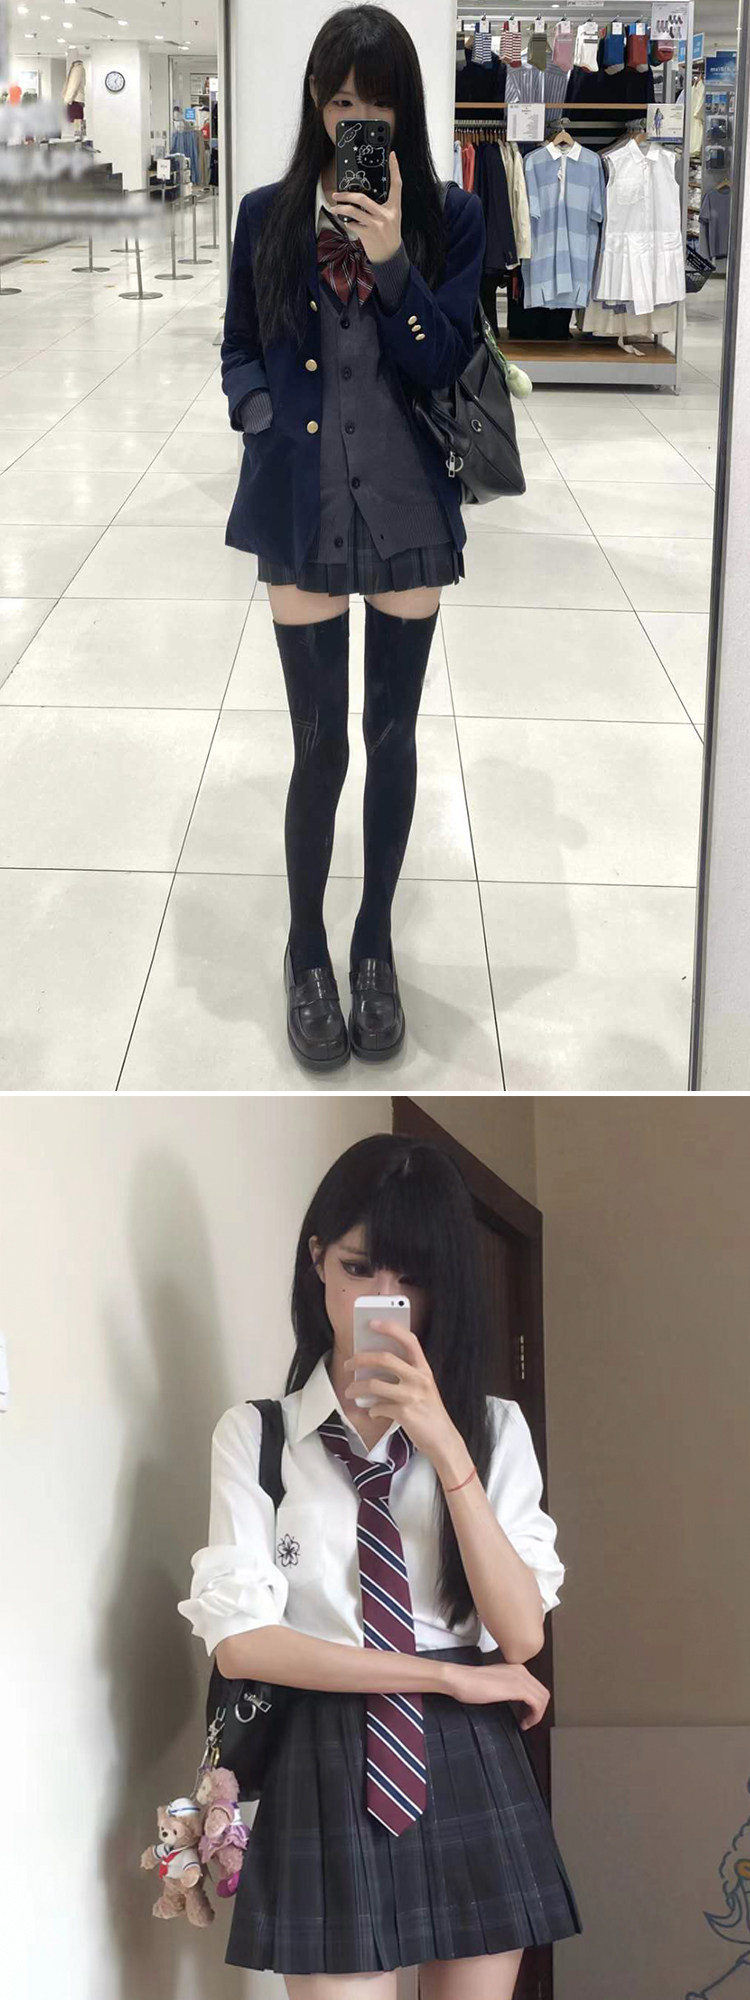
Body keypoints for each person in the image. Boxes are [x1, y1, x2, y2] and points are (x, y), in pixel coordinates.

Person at [178, 1133, 583, 1999]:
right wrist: (448, 1678)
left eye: (411, 1278)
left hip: (469, 1758)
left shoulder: (493, 1429)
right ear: (317, 1261)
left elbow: (520, 1633)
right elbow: (243, 1645)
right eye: (358, 1269)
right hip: (326, 1748)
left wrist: (446, 1447)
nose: (381, 1300)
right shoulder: (256, 1436)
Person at [220, 6, 485, 1073]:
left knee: (393, 733)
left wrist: (392, 262)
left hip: (409, 504)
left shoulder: (451, 216)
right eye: (341, 102)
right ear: (315, 103)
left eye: (376, 104)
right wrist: (259, 417)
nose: (356, 122)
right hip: (303, 502)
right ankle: (306, 946)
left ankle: (374, 940)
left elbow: (448, 360)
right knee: (319, 743)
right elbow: (239, 347)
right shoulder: (266, 215)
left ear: (404, 110)